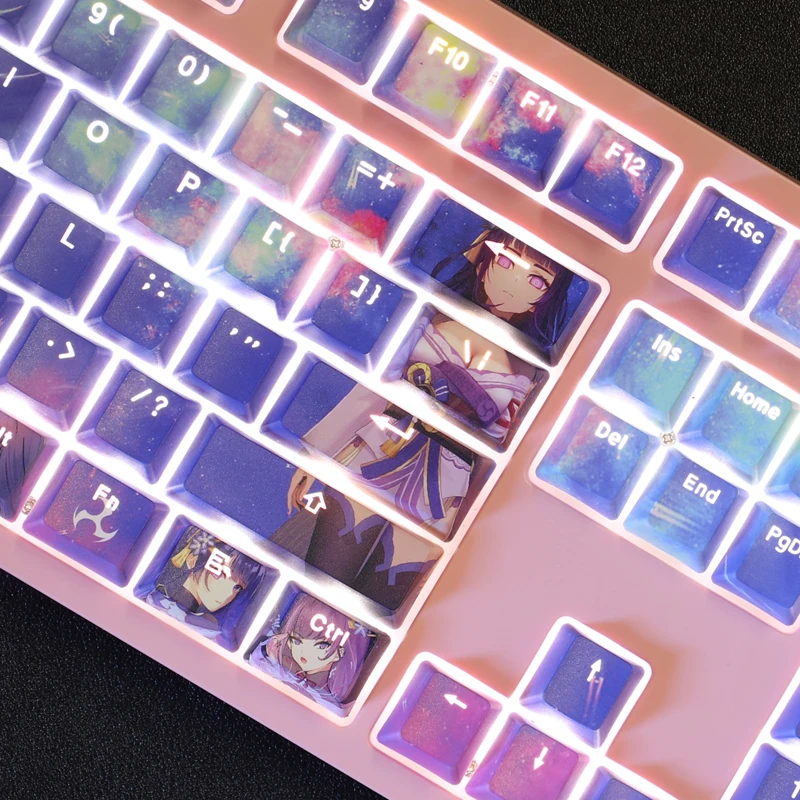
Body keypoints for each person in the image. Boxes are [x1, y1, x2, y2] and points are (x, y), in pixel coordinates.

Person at [247, 593, 373, 713]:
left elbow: (332, 708)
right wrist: (270, 655)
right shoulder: (272, 664)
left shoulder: (331, 698)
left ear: (339, 652)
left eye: (321, 646)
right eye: (296, 641)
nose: (304, 651)